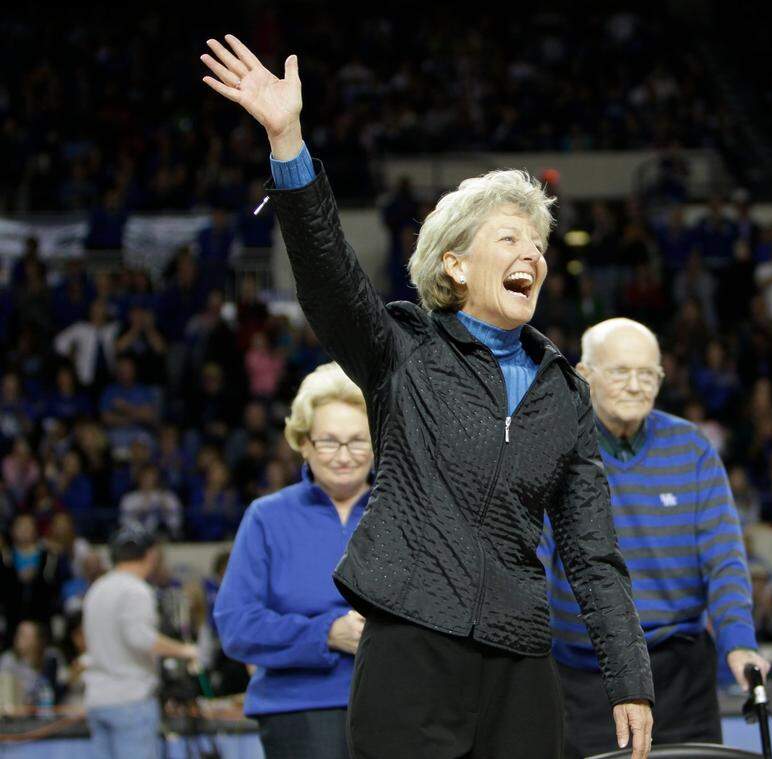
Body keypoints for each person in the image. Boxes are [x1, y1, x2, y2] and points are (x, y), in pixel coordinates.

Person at [200, 35, 653, 759]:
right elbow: (327, 276)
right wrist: (287, 139)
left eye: (538, 245)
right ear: (454, 263)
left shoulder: (565, 394)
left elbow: (593, 553)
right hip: (411, 647)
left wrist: (629, 678)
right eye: (510, 238)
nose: (532, 255)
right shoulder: (403, 350)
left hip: (520, 662)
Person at [539, 318, 767, 757]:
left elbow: (724, 559)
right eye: (620, 371)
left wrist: (739, 643)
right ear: (584, 375)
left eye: (647, 374)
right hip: (586, 675)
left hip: (680, 675)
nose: (635, 384)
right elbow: (536, 556)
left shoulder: (692, 447)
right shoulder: (554, 445)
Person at [214, 363, 372, 759]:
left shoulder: (408, 513)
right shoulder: (267, 517)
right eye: (328, 442)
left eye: (358, 441)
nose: (344, 456)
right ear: (303, 443)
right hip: (298, 711)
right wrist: (326, 633)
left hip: (397, 708)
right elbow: (236, 625)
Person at [82, 526, 198, 759]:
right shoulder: (135, 590)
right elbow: (140, 638)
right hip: (130, 698)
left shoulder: (97, 588)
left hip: (97, 698)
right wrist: (185, 650)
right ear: (150, 555)